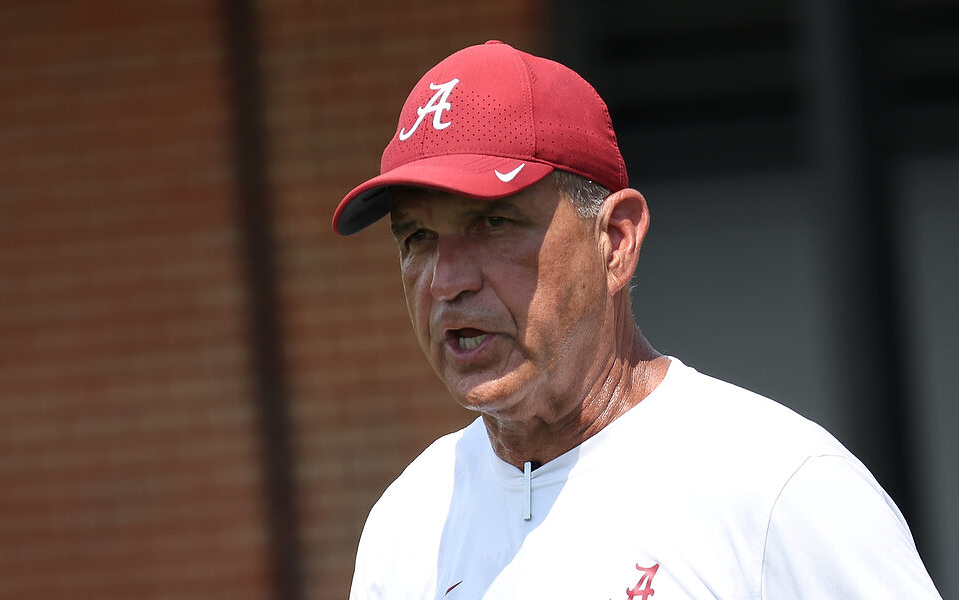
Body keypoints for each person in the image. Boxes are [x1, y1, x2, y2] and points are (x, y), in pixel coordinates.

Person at [332, 41, 942, 599]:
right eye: (416, 237)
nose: (446, 281)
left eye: (492, 224)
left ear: (616, 241)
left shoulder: (779, 491)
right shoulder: (408, 525)